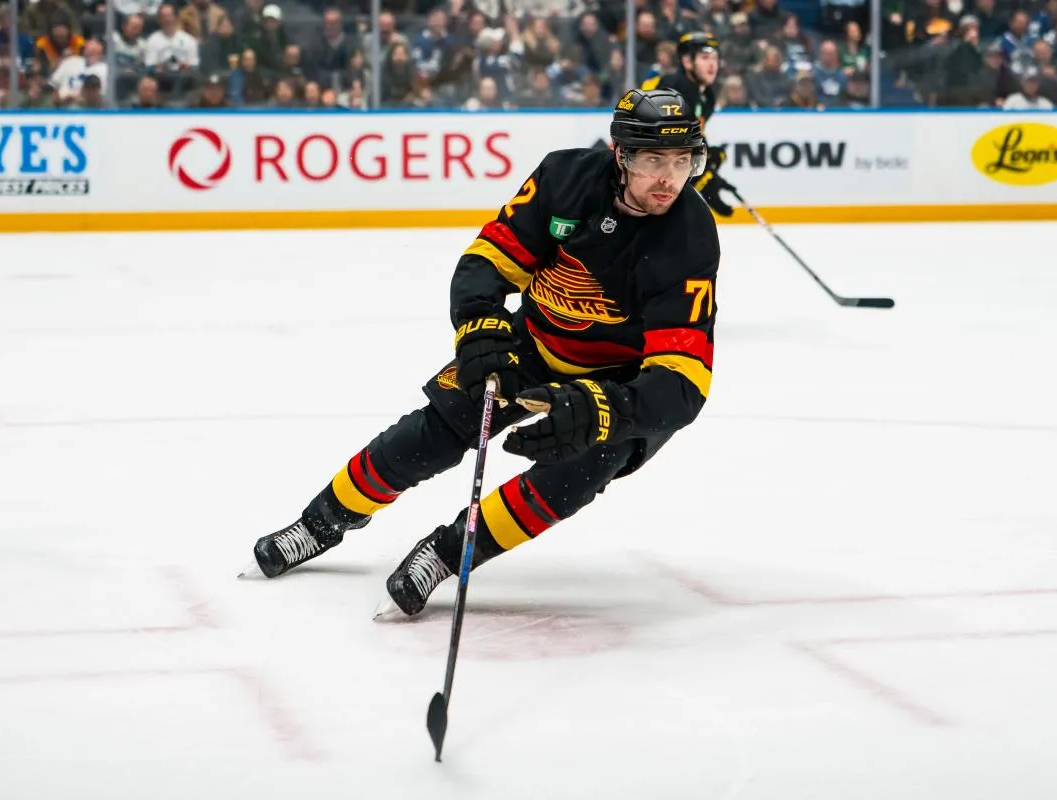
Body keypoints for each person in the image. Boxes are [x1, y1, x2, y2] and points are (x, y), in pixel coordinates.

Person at [243, 88, 720, 617]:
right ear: (620, 154)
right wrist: (477, 324)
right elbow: (488, 259)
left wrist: (605, 409)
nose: (669, 179)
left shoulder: (690, 236)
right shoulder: (564, 179)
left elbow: (682, 383)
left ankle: (445, 555)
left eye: (682, 162)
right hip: (535, 343)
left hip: (613, 384)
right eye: (654, 160)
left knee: (571, 477)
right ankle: (320, 523)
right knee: (431, 433)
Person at [643, 32, 737, 218]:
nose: (712, 64)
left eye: (715, 58)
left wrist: (708, 159)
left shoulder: (706, 95)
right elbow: (663, 145)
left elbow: (692, 135)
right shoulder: (674, 87)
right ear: (687, 62)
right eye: (704, 57)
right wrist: (704, 180)